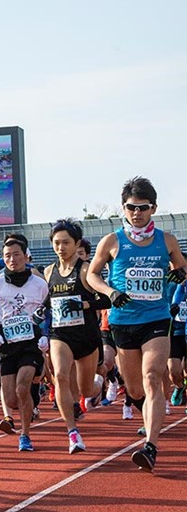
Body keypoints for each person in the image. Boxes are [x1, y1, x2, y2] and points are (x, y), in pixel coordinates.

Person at [86, 177, 186, 472]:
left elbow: (181, 266)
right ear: (123, 208)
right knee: (135, 389)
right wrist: (110, 292)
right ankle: (147, 418)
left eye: (143, 207)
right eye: (131, 207)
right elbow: (92, 275)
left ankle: (150, 447)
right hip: (123, 322)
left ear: (153, 208)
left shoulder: (166, 240)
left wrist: (180, 273)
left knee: (153, 376)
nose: (137, 213)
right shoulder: (112, 241)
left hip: (156, 318)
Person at [43, 219, 108, 454]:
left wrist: (86, 304)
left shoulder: (86, 269)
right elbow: (47, 301)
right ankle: (72, 432)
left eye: (66, 243)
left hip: (87, 337)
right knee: (59, 376)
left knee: (85, 390)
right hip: (60, 334)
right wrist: (43, 309)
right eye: (57, 243)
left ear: (76, 243)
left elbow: (107, 300)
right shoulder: (49, 271)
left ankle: (98, 384)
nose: (61, 248)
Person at [0, 234, 49, 452]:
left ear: (25, 255)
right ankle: (30, 401)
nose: (12, 259)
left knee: (23, 388)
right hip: (6, 344)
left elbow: (47, 313)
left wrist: (45, 334)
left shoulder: (39, 284)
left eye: (16, 254)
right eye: (7, 256)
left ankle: (25, 435)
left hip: (30, 343)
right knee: (11, 399)